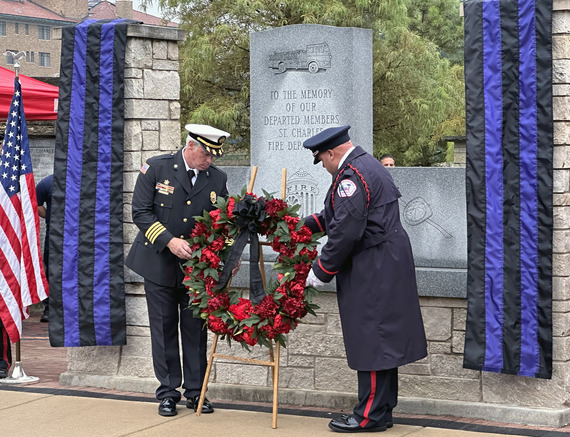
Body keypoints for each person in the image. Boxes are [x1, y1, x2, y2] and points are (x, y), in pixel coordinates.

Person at [303, 125, 427, 433]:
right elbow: (337, 216)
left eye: (322, 160)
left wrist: (321, 270)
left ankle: (367, 416)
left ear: (332, 153)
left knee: (372, 338)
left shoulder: (351, 177)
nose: (324, 167)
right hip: (384, 259)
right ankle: (381, 411)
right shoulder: (364, 165)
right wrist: (299, 227)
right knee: (381, 339)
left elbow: (346, 230)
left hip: (373, 264)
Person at [125, 124, 230, 417]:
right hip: (157, 261)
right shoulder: (156, 168)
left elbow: (222, 223)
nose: (209, 161)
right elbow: (140, 212)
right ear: (191, 146)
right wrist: (169, 241)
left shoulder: (217, 179)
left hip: (195, 268)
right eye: (206, 154)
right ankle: (168, 392)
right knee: (163, 327)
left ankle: (196, 392)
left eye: (213, 156)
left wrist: (224, 257)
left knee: (195, 330)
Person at [36, 173, 53, 323]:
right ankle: (49, 307)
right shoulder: (47, 183)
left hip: (76, 233)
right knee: (51, 270)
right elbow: (36, 204)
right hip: (54, 234)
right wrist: (50, 217)